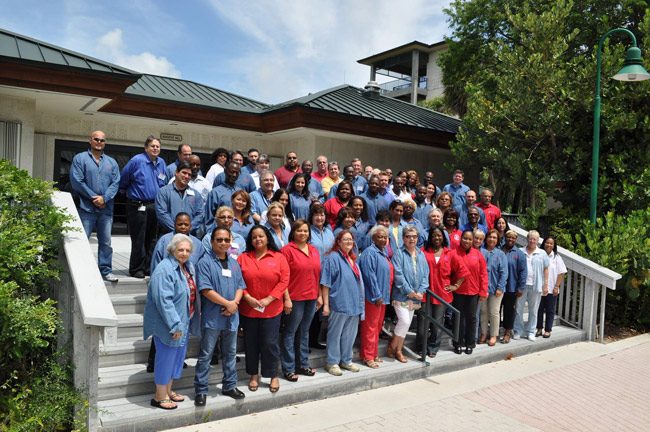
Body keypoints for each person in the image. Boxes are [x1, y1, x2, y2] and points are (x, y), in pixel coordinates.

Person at [143, 234, 199, 410]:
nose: (184, 253)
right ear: (172, 249)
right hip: (169, 324)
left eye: (187, 250)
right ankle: (159, 396)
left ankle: (168, 390)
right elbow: (163, 300)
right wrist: (175, 324)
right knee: (166, 359)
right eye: (180, 249)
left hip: (184, 321)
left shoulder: (186, 266)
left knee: (177, 358)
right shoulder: (164, 269)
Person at [193, 227, 246, 406]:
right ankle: (201, 390)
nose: (223, 243)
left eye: (226, 240)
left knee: (230, 353)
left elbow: (240, 286)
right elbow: (206, 290)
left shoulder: (234, 263)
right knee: (206, 354)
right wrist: (227, 304)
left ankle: (229, 385)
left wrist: (234, 304)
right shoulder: (205, 262)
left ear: (230, 241)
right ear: (212, 241)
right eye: (219, 240)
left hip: (232, 316)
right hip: (213, 316)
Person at [147, 212, 204, 373]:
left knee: (182, 333)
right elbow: (156, 266)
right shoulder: (165, 240)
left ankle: (178, 362)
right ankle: (153, 361)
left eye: (186, 224)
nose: (183, 227)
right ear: (174, 224)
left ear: (191, 226)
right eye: (180, 224)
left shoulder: (197, 244)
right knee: (163, 331)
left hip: (187, 297)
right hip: (169, 293)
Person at [238, 226, 290, 393]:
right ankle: (253, 375)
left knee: (270, 343)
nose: (258, 239)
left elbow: (284, 281)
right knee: (251, 343)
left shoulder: (279, 257)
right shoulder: (243, 258)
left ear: (268, 238)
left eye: (261, 236)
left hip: (272, 309)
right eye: (254, 237)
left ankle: (273, 374)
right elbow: (238, 281)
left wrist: (269, 299)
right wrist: (247, 297)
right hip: (249, 308)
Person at [70, 130, 120, 282]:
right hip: (87, 208)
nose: (99, 142)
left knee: (106, 242)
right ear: (90, 140)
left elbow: (116, 182)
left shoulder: (112, 162)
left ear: (105, 143)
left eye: (102, 140)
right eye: (96, 139)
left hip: (106, 209)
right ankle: (81, 271)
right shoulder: (80, 158)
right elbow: (76, 181)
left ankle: (105, 271)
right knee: (83, 241)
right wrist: (94, 197)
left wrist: (104, 198)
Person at [120, 135, 167, 278]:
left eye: (157, 146)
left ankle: (148, 267)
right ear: (146, 148)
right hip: (137, 205)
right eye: (152, 146)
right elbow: (124, 180)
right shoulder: (137, 160)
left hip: (154, 206)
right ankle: (136, 269)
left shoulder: (161, 162)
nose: (155, 148)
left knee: (152, 239)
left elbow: (163, 183)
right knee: (139, 238)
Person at [280, 220, 321, 381]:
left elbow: (316, 274)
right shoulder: (287, 250)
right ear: (293, 232)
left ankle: (303, 364)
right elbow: (283, 277)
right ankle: (288, 368)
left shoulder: (313, 250)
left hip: (311, 297)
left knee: (304, 332)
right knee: (290, 333)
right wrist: (287, 299)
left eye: (305, 231)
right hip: (295, 298)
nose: (303, 233)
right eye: (299, 231)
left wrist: (318, 294)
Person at [320, 230, 364, 376]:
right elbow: (325, 282)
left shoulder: (352, 258)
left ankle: (346, 360)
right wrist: (326, 304)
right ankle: (332, 362)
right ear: (338, 242)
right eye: (345, 239)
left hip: (354, 304)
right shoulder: (332, 258)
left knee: (349, 335)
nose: (348, 242)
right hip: (339, 302)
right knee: (335, 334)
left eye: (350, 240)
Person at [420, 226, 467, 357]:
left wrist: (455, 286)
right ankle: (421, 345)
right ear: (430, 237)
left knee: (437, 323)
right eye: (434, 235)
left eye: (439, 235)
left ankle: (433, 347)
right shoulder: (423, 252)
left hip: (442, 293)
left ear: (443, 237)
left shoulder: (450, 253)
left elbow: (463, 271)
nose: (437, 237)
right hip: (425, 293)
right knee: (423, 323)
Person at [389, 226, 429, 363]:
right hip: (401, 296)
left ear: (417, 238)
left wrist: (420, 291)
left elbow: (425, 275)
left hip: (415, 298)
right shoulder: (399, 253)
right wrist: (410, 292)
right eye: (408, 236)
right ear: (403, 238)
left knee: (406, 324)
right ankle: (397, 348)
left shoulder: (421, 254)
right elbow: (398, 276)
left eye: (414, 236)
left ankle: (394, 347)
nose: (411, 239)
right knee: (405, 321)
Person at [358, 225, 393, 368]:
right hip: (373, 298)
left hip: (383, 297)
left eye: (385, 237)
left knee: (378, 326)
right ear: (373, 238)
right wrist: (376, 294)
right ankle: (367, 356)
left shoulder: (383, 253)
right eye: (380, 236)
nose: (383, 239)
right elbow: (369, 276)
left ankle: (373, 353)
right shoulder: (369, 253)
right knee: (370, 327)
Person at [451, 230, 488, 355]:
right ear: (461, 239)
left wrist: (483, 291)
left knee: (471, 318)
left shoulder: (478, 255)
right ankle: (458, 343)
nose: (467, 241)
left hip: (473, 292)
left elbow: (483, 274)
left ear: (473, 241)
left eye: (470, 239)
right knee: (458, 318)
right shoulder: (454, 253)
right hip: (458, 292)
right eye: (465, 238)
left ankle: (470, 343)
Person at [307, 203, 335, 350]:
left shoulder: (329, 232)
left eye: (322, 214)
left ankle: (315, 340)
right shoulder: (308, 233)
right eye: (317, 214)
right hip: (313, 275)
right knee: (313, 309)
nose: (320, 217)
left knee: (322, 311)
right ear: (311, 217)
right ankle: (307, 342)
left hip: (329, 275)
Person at [514, 230, 550, 341]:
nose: (532, 241)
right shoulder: (520, 251)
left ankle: (530, 331)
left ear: (538, 240)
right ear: (527, 239)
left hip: (536, 285)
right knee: (519, 309)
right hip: (522, 286)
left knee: (533, 310)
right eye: (530, 238)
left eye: (535, 239)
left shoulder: (542, 253)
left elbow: (546, 269)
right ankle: (518, 330)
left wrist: (546, 285)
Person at [155, 161, 204, 238]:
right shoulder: (164, 192)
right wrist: (177, 230)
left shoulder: (196, 195)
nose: (186, 176)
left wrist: (188, 229)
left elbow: (200, 214)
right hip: (169, 236)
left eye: (189, 175)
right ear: (176, 173)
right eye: (184, 173)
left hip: (189, 237)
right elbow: (162, 213)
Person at [479, 229, 508, 346]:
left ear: (498, 240)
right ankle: (483, 333)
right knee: (483, 311)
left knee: (494, 312)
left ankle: (493, 335)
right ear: (486, 238)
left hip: (496, 289)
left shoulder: (500, 254)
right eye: (490, 237)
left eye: (494, 238)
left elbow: (504, 272)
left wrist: (500, 287)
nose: (492, 239)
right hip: (482, 289)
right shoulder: (481, 251)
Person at [536, 236, 566, 338]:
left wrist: (556, 287)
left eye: (551, 243)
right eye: (547, 243)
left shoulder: (557, 257)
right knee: (538, 309)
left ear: (554, 246)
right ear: (544, 243)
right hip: (539, 288)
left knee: (550, 310)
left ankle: (548, 330)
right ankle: (539, 328)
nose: (549, 245)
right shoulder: (539, 255)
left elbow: (561, 273)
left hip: (552, 288)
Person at [500, 230, 527, 343]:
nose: (510, 239)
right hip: (498, 287)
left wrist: (520, 288)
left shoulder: (519, 253)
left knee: (509, 311)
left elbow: (523, 272)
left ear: (515, 240)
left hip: (511, 287)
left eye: (513, 238)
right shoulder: (499, 250)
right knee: (496, 311)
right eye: (508, 237)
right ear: (505, 238)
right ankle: (494, 332)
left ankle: (507, 331)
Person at [205, 161, 242, 232]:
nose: (234, 175)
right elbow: (209, 219)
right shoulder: (215, 193)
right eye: (232, 172)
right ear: (225, 171)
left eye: (237, 173)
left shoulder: (241, 192)